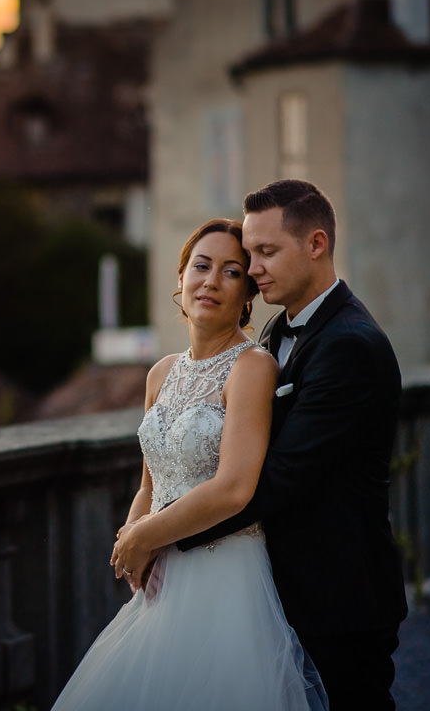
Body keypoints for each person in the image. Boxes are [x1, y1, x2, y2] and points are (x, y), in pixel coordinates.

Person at [120, 180, 408, 709]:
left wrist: (155, 539)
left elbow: (274, 478)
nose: (253, 269)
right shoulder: (277, 333)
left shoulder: (350, 345)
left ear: (316, 244)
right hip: (273, 587)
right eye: (249, 255)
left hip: (336, 595)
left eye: (265, 253)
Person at [51, 218, 327, 710]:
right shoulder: (160, 373)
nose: (211, 281)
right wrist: (133, 546)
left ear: (248, 294)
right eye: (201, 266)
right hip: (161, 579)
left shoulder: (252, 367)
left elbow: (234, 488)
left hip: (223, 576)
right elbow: (149, 484)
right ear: (180, 277)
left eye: (231, 272)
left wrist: (143, 537)